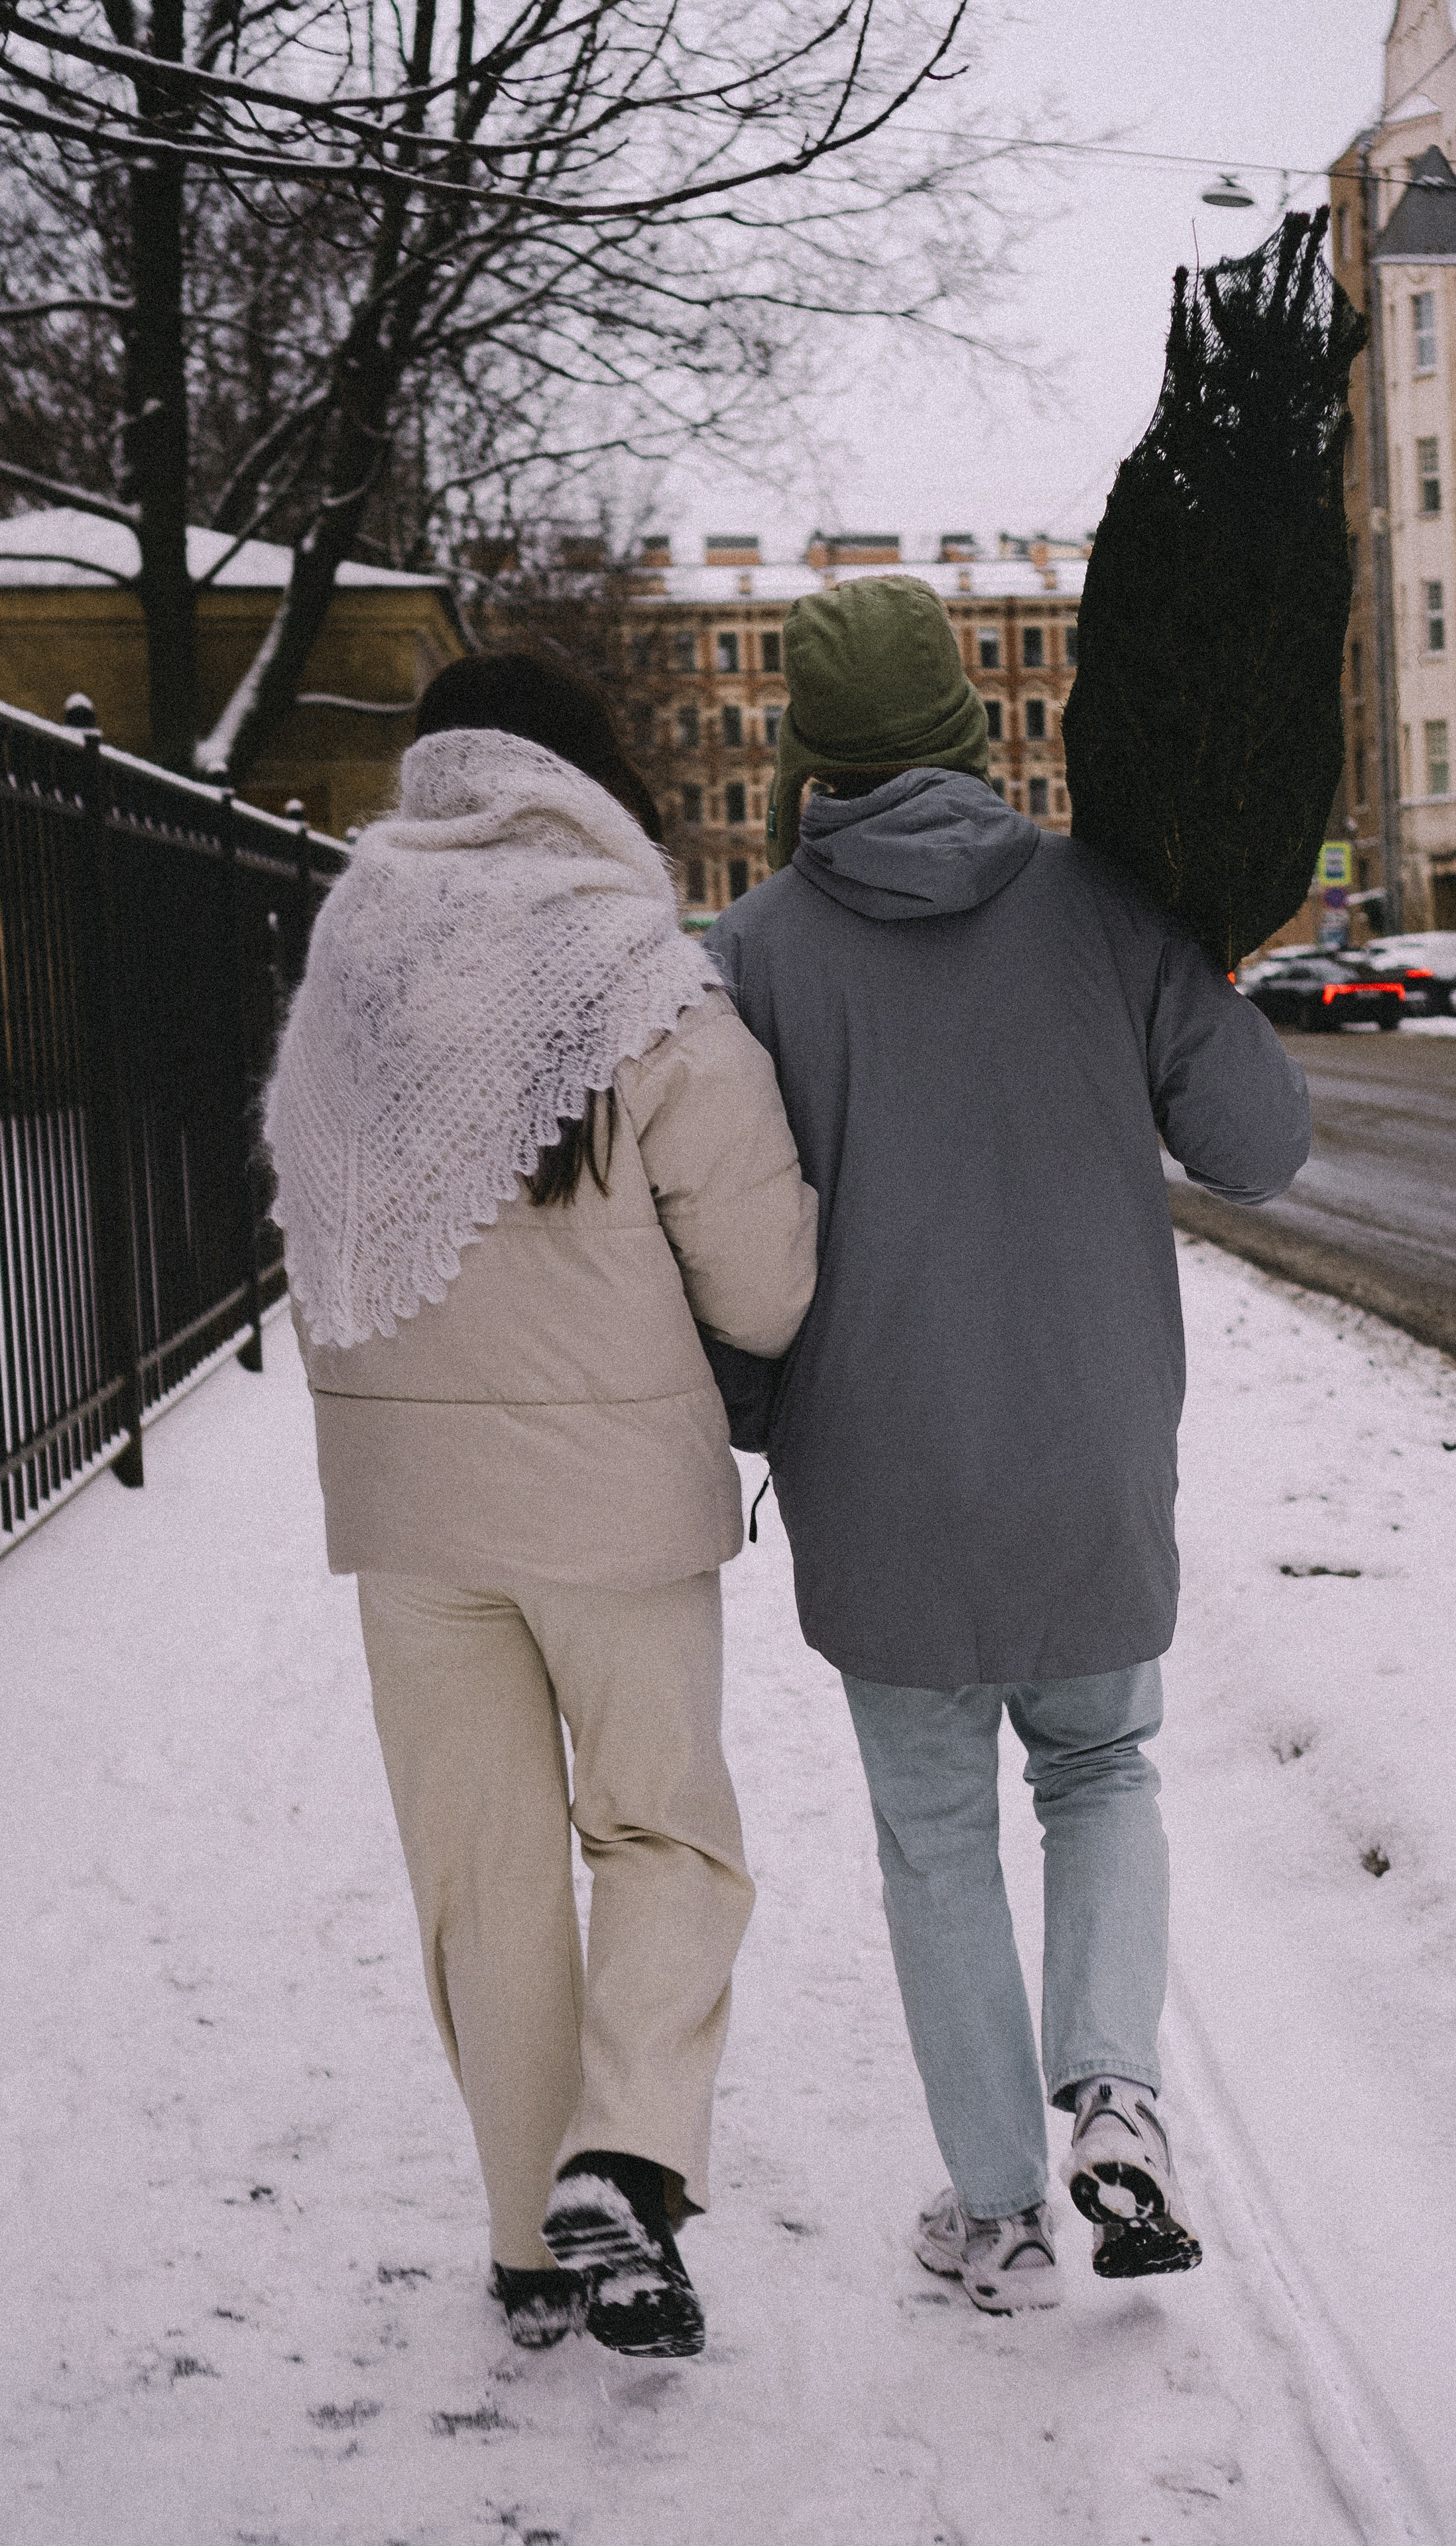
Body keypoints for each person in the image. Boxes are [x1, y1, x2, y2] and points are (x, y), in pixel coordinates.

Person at [707, 576, 1309, 2315]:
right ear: (980, 724)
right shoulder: (1114, 911)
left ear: (810, 750)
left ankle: (997, 2215)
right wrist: (1206, 965)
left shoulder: (752, 956)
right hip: (1089, 1458)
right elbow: (1261, 1148)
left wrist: (752, 1430)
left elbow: (733, 1249)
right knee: (1104, 1772)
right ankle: (1115, 2089)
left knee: (938, 1837)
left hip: (876, 1473)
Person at [265, 653, 817, 2359]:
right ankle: (630, 2163)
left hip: (408, 1513)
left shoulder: (343, 971)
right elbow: (767, 1288)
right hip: (612, 1510)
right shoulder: (639, 978)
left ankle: (529, 2249)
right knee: (661, 1834)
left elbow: (304, 1226)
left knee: (482, 1877)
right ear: (581, 778)